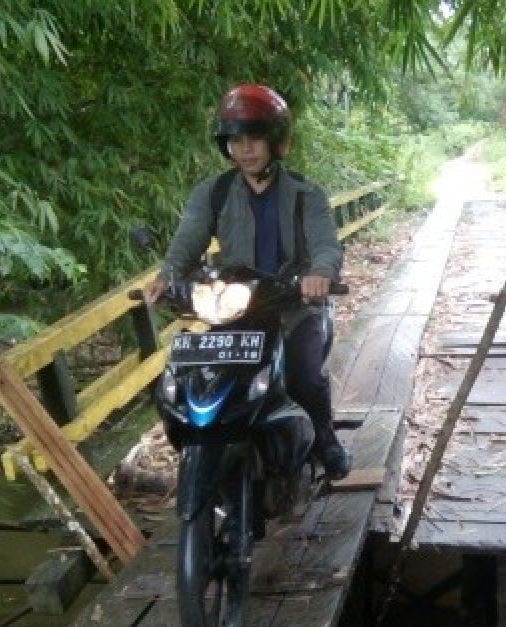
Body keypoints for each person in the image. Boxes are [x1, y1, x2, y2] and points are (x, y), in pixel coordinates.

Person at [144, 83, 351, 480]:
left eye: (255, 138)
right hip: (236, 305)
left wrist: (320, 275)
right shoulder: (213, 193)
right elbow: (187, 243)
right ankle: (216, 449)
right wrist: (166, 277)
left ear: (276, 141)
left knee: (304, 373)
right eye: (236, 141)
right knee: (203, 374)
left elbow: (326, 244)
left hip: (292, 303)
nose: (246, 149)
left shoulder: (306, 194)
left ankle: (325, 439)